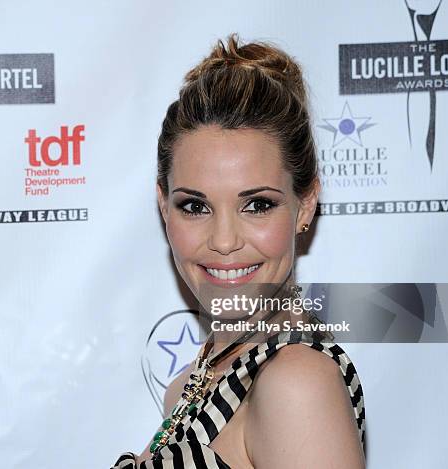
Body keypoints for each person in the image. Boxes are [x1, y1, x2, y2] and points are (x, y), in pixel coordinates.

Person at [110, 34, 366, 469]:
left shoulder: (295, 384)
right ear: (163, 207)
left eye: (257, 205)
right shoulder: (192, 385)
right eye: (195, 206)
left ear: (305, 205)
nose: (224, 241)